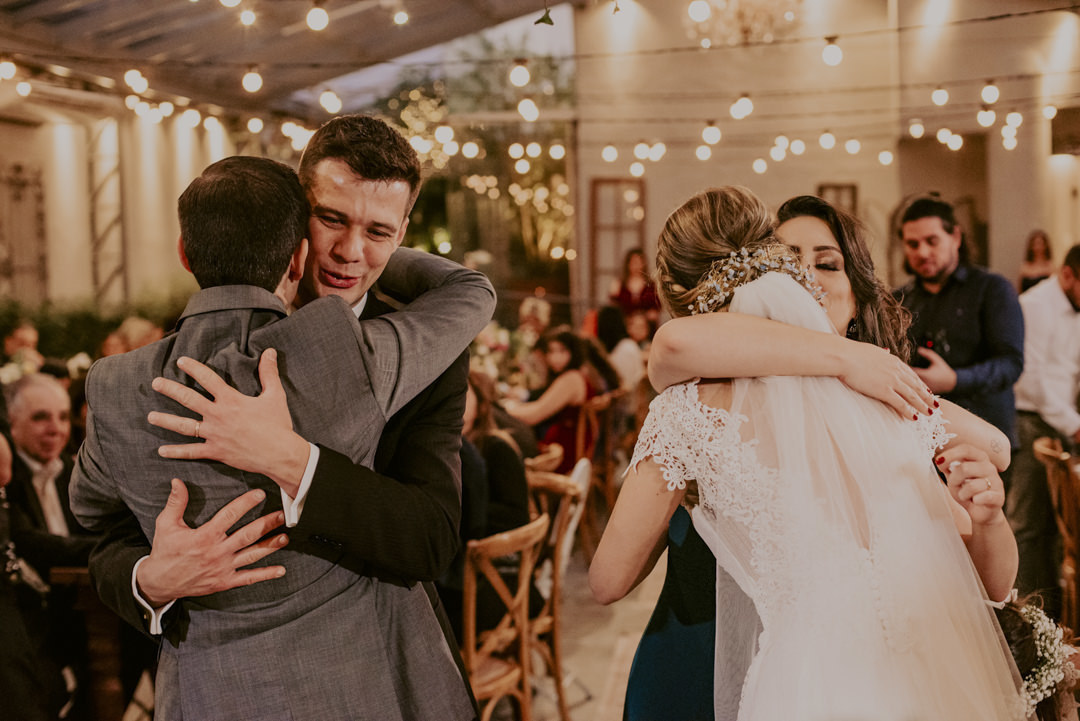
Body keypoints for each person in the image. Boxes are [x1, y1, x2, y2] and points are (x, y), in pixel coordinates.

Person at [69, 152, 493, 719]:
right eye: (332, 220)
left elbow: (430, 541)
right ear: (296, 236)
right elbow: (108, 539)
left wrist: (295, 461)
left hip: (376, 673)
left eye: (378, 232)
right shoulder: (349, 351)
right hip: (216, 688)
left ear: (184, 251)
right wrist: (151, 578)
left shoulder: (126, 379)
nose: (349, 251)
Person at [591, 186, 1024, 720]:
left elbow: (990, 463)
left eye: (827, 263)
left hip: (838, 682)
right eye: (793, 263)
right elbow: (672, 348)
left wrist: (988, 516)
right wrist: (846, 359)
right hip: (714, 663)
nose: (808, 280)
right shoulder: (706, 388)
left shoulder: (886, 402)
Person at [894, 194, 1024, 453]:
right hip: (920, 441)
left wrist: (954, 380)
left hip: (986, 438)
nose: (922, 252)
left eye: (932, 241)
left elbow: (1010, 364)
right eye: (912, 243)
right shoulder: (898, 300)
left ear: (955, 237)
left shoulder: (992, 289)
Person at [5, 373, 98, 718]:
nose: (55, 429)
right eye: (40, 417)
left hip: (83, 611)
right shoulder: (6, 478)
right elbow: (31, 544)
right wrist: (108, 551)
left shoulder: (73, 474)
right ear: (11, 425)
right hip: (32, 624)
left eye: (61, 416)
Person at [1009, 244, 1080, 620]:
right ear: (1067, 275)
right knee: (1029, 528)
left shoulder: (1075, 307)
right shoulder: (1035, 305)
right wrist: (1074, 424)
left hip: (1061, 418)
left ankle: (1056, 619)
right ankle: (1026, 619)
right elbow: (1031, 378)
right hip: (1031, 419)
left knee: (1057, 533)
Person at [504, 326, 599, 474]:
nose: (555, 358)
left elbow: (534, 415)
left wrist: (505, 409)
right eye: (551, 351)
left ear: (574, 352)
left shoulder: (572, 378)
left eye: (562, 351)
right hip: (562, 448)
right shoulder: (578, 374)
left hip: (559, 454)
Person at [609, 247, 661, 323]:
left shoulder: (651, 285)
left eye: (639, 262)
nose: (636, 266)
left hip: (647, 326)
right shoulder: (619, 284)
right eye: (633, 262)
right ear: (627, 264)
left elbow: (656, 310)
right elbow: (613, 307)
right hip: (624, 324)